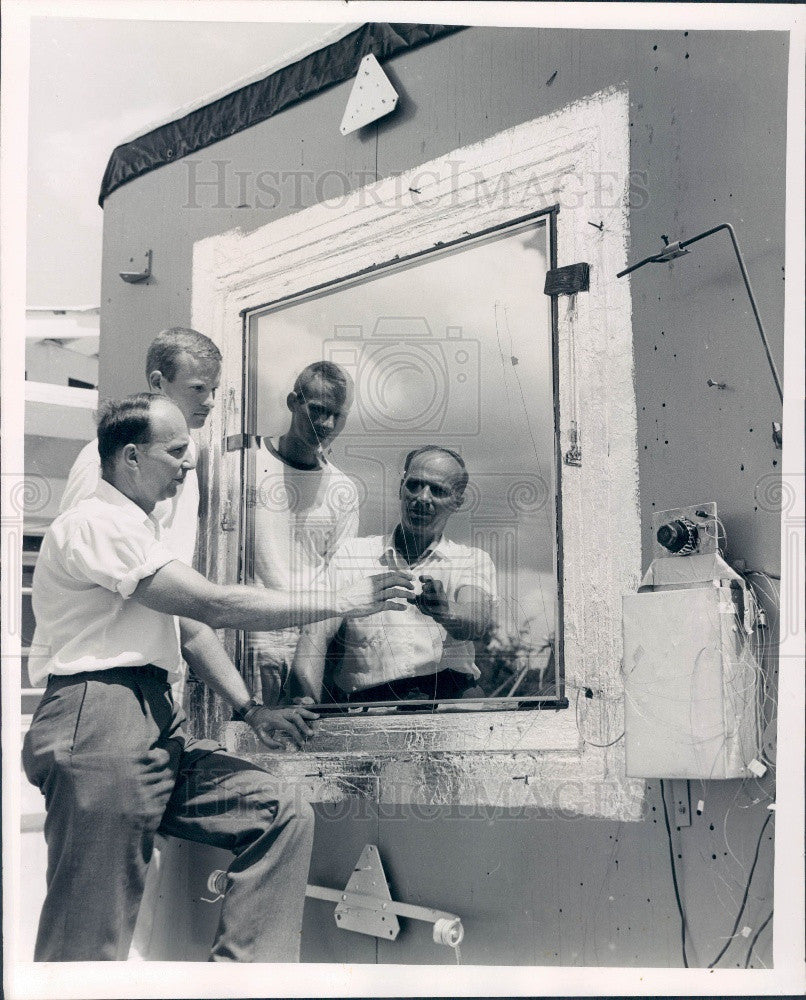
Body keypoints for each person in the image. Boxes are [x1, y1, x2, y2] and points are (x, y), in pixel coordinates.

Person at [22, 394, 413, 962]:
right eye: (177, 451)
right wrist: (342, 598)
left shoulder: (142, 534)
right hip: (100, 720)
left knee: (278, 812)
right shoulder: (97, 524)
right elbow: (218, 606)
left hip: (156, 722)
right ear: (130, 457)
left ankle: (239, 984)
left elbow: (190, 631)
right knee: (87, 942)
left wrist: (251, 711)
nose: (189, 463)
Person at [291, 446, 497, 704]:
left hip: (450, 706)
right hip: (369, 709)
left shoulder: (471, 560)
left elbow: (476, 621)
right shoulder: (352, 555)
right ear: (401, 488)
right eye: (415, 485)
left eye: (438, 490)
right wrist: (305, 700)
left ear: (458, 501)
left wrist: (446, 611)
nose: (423, 497)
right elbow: (316, 632)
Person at [248, 361, 359, 705]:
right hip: (250, 632)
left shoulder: (343, 490)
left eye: (336, 416)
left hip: (307, 639)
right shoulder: (244, 461)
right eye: (317, 410)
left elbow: (339, 578)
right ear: (293, 401)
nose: (325, 424)